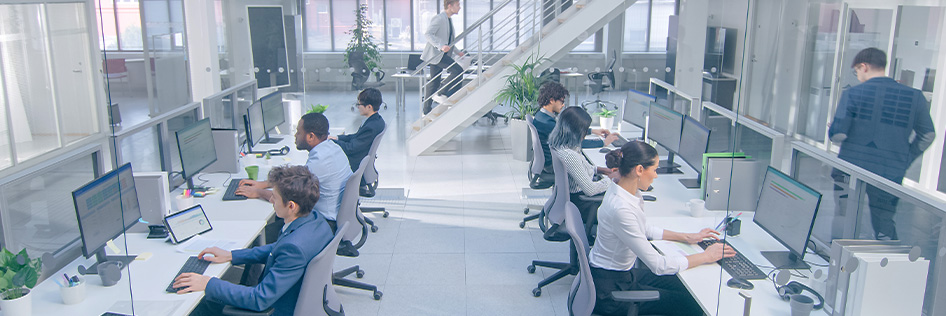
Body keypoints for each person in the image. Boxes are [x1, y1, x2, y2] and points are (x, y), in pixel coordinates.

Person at [589, 141, 736, 316]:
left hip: (621, 276)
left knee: (681, 285)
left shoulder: (624, 190)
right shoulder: (621, 208)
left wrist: (687, 237)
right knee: (692, 304)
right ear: (639, 170)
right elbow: (659, 266)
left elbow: (643, 229)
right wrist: (707, 256)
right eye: (655, 169)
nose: (656, 175)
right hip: (612, 292)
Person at [174, 165, 335, 316]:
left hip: (276, 309)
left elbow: (259, 299)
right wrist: (232, 255)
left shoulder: (293, 248)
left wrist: (208, 283)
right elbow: (277, 248)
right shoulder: (315, 219)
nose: (271, 200)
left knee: (202, 303)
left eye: (275, 197)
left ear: (291, 206)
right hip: (296, 297)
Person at [828, 47, 935, 241]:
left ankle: (838, 260)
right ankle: (886, 261)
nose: (858, 75)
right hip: (890, 170)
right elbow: (928, 134)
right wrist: (906, 157)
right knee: (884, 221)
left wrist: (835, 129)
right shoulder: (914, 97)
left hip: (850, 169)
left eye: (856, 71)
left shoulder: (854, 93)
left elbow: (838, 134)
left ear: (864, 66)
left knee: (845, 218)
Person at [237, 112, 353, 230]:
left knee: (262, 233)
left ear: (310, 136)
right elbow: (297, 176)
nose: (295, 135)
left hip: (324, 223)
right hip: (336, 215)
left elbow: (287, 198)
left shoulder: (319, 162)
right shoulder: (332, 148)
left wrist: (257, 192)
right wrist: (263, 184)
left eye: (298, 132)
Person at [532, 81, 618, 189]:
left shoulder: (542, 116)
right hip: (551, 166)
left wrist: (592, 131)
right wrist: (603, 142)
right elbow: (573, 140)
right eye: (562, 102)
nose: (563, 105)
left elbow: (567, 130)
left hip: (550, 161)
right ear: (552, 100)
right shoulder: (548, 124)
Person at [548, 106, 619, 234]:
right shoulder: (570, 155)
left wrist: (600, 170)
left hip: (572, 200)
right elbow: (590, 190)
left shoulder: (560, 144)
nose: (585, 135)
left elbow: (579, 168)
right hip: (582, 205)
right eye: (584, 131)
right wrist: (611, 180)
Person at [329, 88, 386, 196]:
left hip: (356, 164)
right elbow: (356, 137)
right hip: (361, 160)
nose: (358, 107)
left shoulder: (371, 126)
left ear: (369, 107)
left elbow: (351, 148)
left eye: (359, 104)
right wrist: (337, 138)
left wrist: (333, 143)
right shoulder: (376, 120)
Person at [422, 0, 465, 114]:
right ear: (450, 6)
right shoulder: (440, 18)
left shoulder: (448, 20)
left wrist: (458, 52)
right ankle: (441, 92)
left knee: (434, 82)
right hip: (436, 54)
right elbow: (428, 34)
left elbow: (449, 41)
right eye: (457, 5)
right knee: (458, 70)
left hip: (442, 54)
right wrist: (440, 46)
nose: (459, 7)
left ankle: (426, 110)